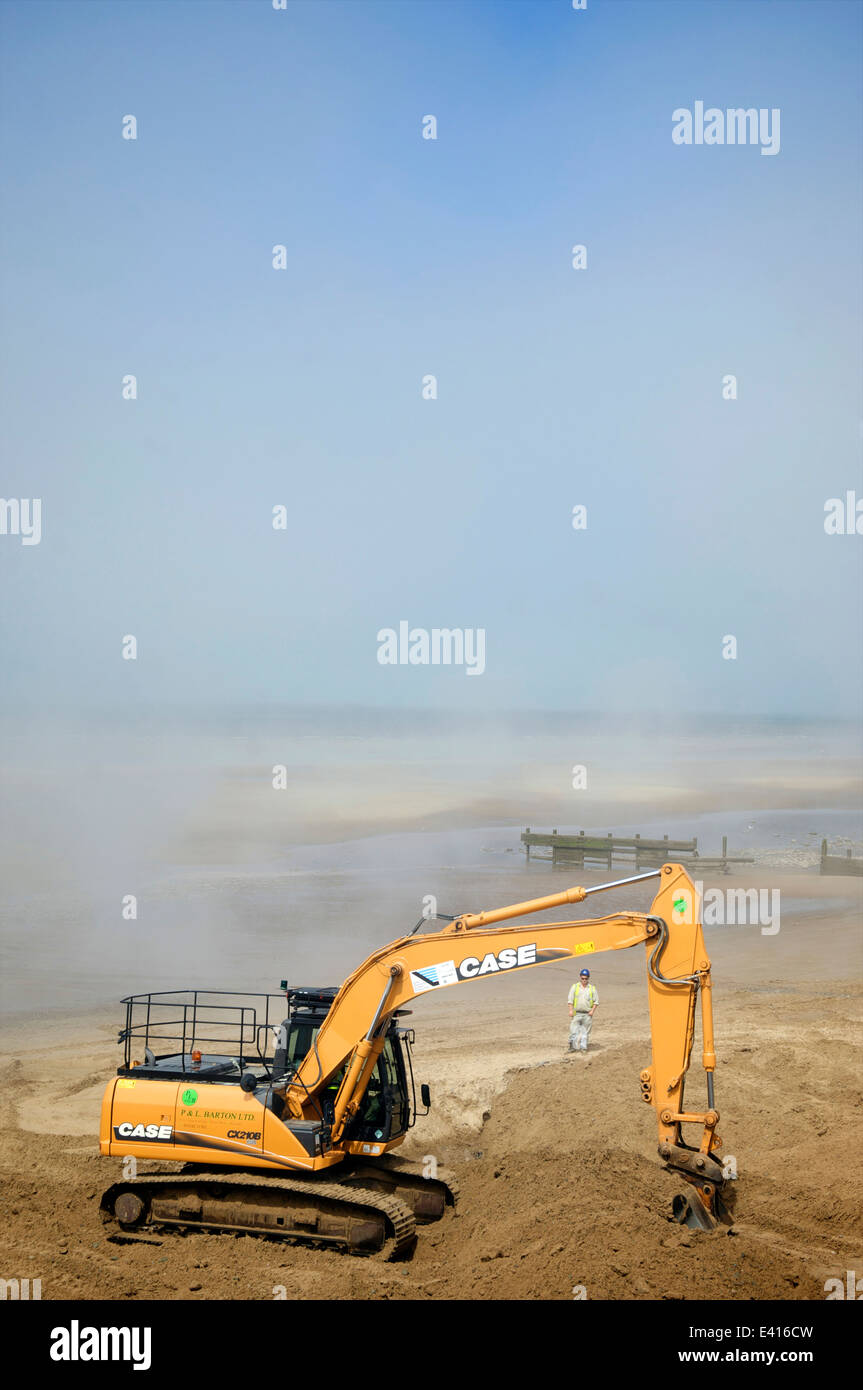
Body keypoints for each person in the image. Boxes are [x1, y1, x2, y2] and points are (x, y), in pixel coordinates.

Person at [568, 968, 598, 1052]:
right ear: (580, 977)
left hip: (587, 1014)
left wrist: (592, 1011)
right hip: (576, 1013)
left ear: (588, 978)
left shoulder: (592, 988)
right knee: (573, 1031)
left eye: (586, 978)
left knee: (585, 1032)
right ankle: (572, 1047)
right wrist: (570, 1010)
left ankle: (583, 1048)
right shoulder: (575, 987)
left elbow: (596, 1002)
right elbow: (570, 1000)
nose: (584, 980)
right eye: (582, 978)